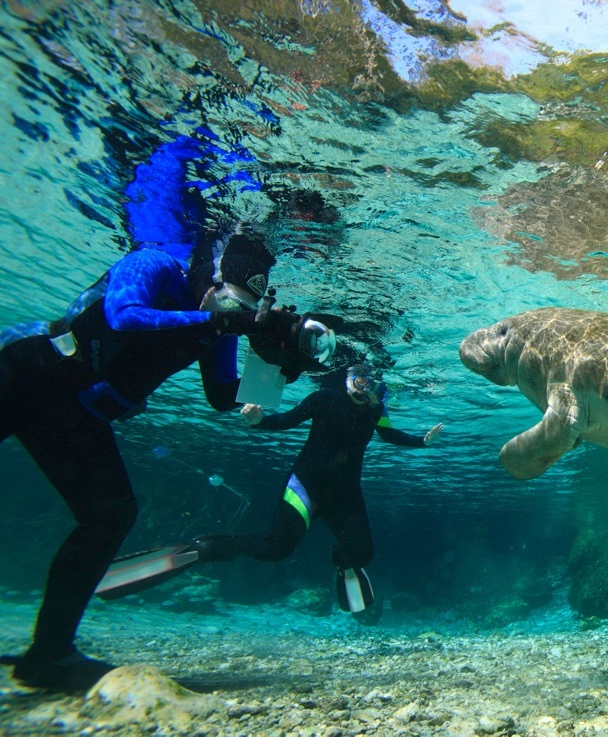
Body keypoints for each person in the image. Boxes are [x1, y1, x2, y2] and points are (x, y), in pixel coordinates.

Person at [0, 230, 318, 693]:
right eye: (226, 303)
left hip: (75, 410)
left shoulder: (215, 324)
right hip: (30, 371)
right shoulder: (153, 263)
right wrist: (228, 324)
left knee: (110, 514)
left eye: (237, 310)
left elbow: (221, 395)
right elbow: (122, 316)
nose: (226, 315)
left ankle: (49, 654)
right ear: (208, 279)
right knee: (110, 513)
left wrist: (277, 371)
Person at [192, 364, 443, 613]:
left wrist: (422, 441)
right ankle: (217, 547)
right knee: (275, 549)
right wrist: (259, 421)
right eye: (358, 380)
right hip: (305, 487)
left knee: (362, 554)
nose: (364, 387)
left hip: (345, 494)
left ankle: (343, 564)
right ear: (347, 380)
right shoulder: (325, 398)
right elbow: (287, 420)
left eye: (369, 382)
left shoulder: (376, 409)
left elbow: (389, 434)